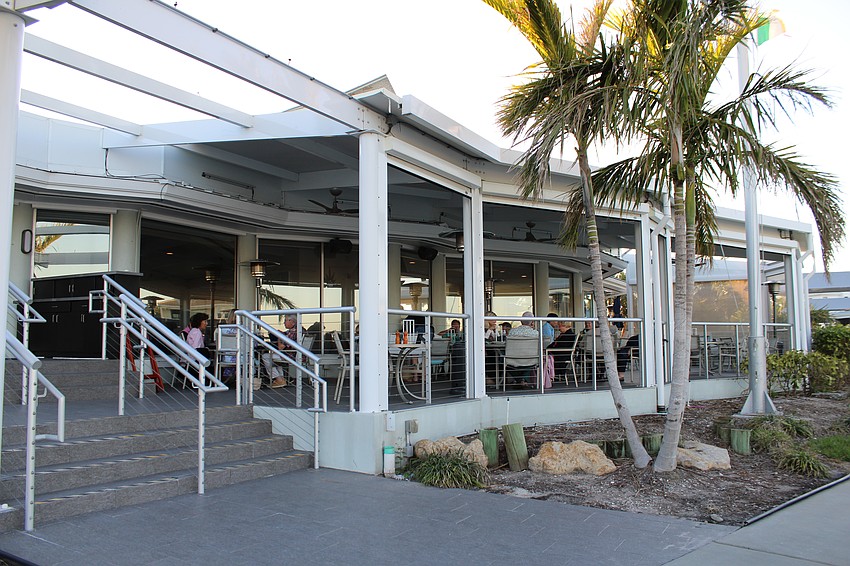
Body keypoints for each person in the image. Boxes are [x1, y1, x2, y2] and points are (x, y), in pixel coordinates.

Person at [261, 314, 303, 388]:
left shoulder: (293, 332)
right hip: (295, 354)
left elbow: (280, 347)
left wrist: (279, 337)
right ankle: (281, 379)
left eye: (285, 321)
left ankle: (278, 379)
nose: (284, 323)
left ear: (292, 322)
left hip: (290, 356)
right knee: (274, 357)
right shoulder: (299, 330)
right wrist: (280, 333)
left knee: (266, 356)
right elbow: (285, 334)